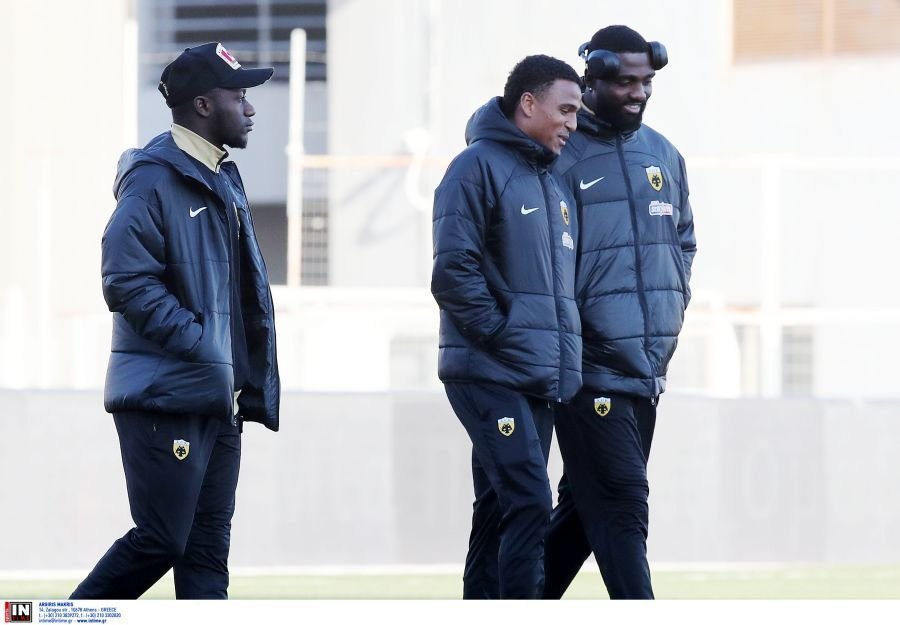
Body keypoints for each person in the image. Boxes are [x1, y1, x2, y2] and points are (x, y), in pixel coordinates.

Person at [70, 42, 280, 600]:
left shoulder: (222, 177)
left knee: (206, 555)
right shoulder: (153, 179)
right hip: (169, 397)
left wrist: (232, 369)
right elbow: (125, 278)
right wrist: (200, 343)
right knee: (161, 539)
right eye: (239, 96)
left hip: (218, 398)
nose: (251, 109)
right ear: (204, 106)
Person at [542, 25, 697, 600]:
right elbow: (542, 260)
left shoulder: (664, 154)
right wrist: (576, 332)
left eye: (646, 82)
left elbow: (684, 242)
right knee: (624, 505)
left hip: (646, 367)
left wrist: (673, 307)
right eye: (626, 82)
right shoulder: (560, 155)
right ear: (593, 79)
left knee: (584, 515)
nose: (639, 92)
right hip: (587, 369)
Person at [431, 54, 583, 599]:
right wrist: (503, 335)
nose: (572, 123)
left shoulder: (553, 185)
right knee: (530, 502)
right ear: (528, 103)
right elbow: (453, 272)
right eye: (565, 110)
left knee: (498, 506)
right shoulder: (474, 167)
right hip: (489, 370)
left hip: (535, 375)